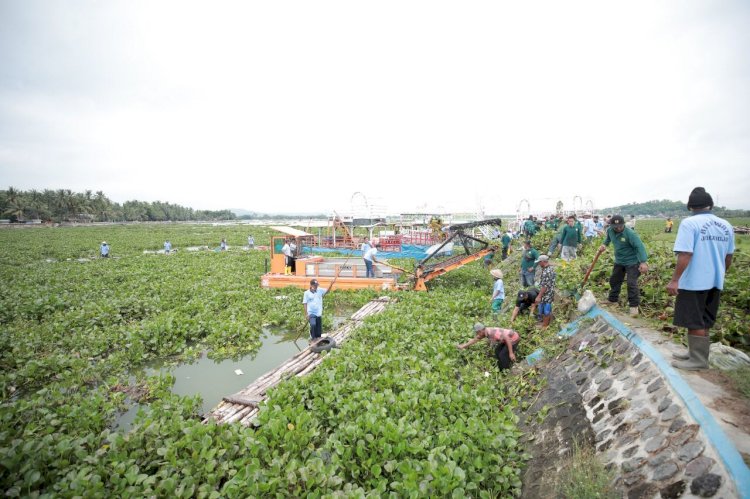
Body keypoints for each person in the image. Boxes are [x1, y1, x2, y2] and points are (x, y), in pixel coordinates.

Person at [668, 187, 734, 371]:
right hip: (715, 280)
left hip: (694, 281)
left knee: (693, 319)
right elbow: (728, 257)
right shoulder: (726, 225)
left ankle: (698, 360)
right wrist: (720, 272)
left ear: (690, 207)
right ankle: (695, 353)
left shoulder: (689, 224)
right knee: (704, 319)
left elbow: (686, 253)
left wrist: (675, 280)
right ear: (711, 205)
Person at [599, 214, 649, 317]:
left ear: (623, 225)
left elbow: (639, 247)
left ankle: (634, 307)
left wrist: (643, 262)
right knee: (614, 280)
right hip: (619, 261)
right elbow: (608, 239)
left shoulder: (630, 234)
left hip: (632, 262)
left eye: (620, 226)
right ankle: (613, 300)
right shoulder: (610, 231)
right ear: (611, 225)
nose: (618, 228)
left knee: (631, 283)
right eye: (615, 227)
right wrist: (604, 244)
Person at [532, 255, 556, 328]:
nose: (539, 264)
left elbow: (544, 286)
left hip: (547, 294)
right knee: (543, 309)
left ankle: (545, 326)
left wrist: (539, 296)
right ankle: (543, 324)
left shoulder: (547, 272)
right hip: (548, 292)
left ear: (542, 262)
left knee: (546, 310)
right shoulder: (549, 269)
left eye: (539, 262)